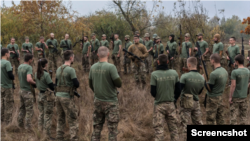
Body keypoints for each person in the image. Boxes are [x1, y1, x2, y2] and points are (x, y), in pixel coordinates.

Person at [89, 46, 122, 141]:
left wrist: (98, 91)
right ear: (108, 54)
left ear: (98, 55)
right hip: (111, 102)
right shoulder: (111, 67)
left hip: (98, 101)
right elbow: (119, 83)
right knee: (112, 130)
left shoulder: (93, 67)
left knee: (96, 128)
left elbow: (90, 85)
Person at [150, 54, 180, 141]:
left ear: (158, 62)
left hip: (159, 105)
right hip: (171, 104)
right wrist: (174, 99)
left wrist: (159, 96)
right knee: (174, 130)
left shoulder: (154, 74)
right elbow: (178, 90)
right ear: (167, 61)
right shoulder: (174, 73)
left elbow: (153, 92)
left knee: (159, 130)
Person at [176, 57, 204, 138]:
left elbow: (179, 90)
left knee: (184, 124)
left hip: (186, 102)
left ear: (188, 65)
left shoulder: (184, 76)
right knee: (198, 122)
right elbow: (199, 92)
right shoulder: (201, 78)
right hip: (196, 102)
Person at [55, 50, 79, 140]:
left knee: (60, 117)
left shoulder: (58, 69)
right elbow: (76, 84)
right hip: (66, 97)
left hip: (57, 96)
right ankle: (74, 137)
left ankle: (59, 136)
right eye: (73, 57)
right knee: (72, 117)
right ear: (71, 58)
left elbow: (56, 83)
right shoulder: (71, 70)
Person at [205, 53, 228, 125]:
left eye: (210, 60)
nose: (210, 62)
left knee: (210, 119)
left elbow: (209, 89)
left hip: (212, 98)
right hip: (220, 96)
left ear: (213, 61)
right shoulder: (224, 71)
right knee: (220, 118)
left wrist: (204, 81)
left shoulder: (214, 74)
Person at [35, 58, 55, 140]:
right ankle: (47, 135)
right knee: (48, 115)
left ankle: (40, 132)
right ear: (45, 64)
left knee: (41, 114)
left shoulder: (36, 73)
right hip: (47, 96)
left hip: (40, 95)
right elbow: (51, 86)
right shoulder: (46, 74)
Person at [229, 54, 250, 125]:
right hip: (244, 96)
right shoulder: (247, 71)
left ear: (237, 62)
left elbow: (233, 85)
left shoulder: (234, 72)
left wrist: (230, 97)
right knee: (243, 117)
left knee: (233, 118)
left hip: (236, 97)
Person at [17, 53, 36, 130]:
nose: (32, 60)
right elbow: (29, 79)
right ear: (29, 60)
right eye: (32, 59)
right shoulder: (29, 67)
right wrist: (35, 83)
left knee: (22, 108)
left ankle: (20, 124)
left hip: (21, 90)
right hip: (27, 91)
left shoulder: (20, 66)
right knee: (29, 110)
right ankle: (28, 127)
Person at [0, 49, 15, 124]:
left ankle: (1, 119)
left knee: (2, 102)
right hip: (7, 86)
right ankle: (8, 122)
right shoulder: (7, 63)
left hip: (1, 85)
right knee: (8, 104)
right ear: (6, 54)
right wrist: (14, 76)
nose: (9, 54)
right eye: (9, 53)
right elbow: (10, 75)